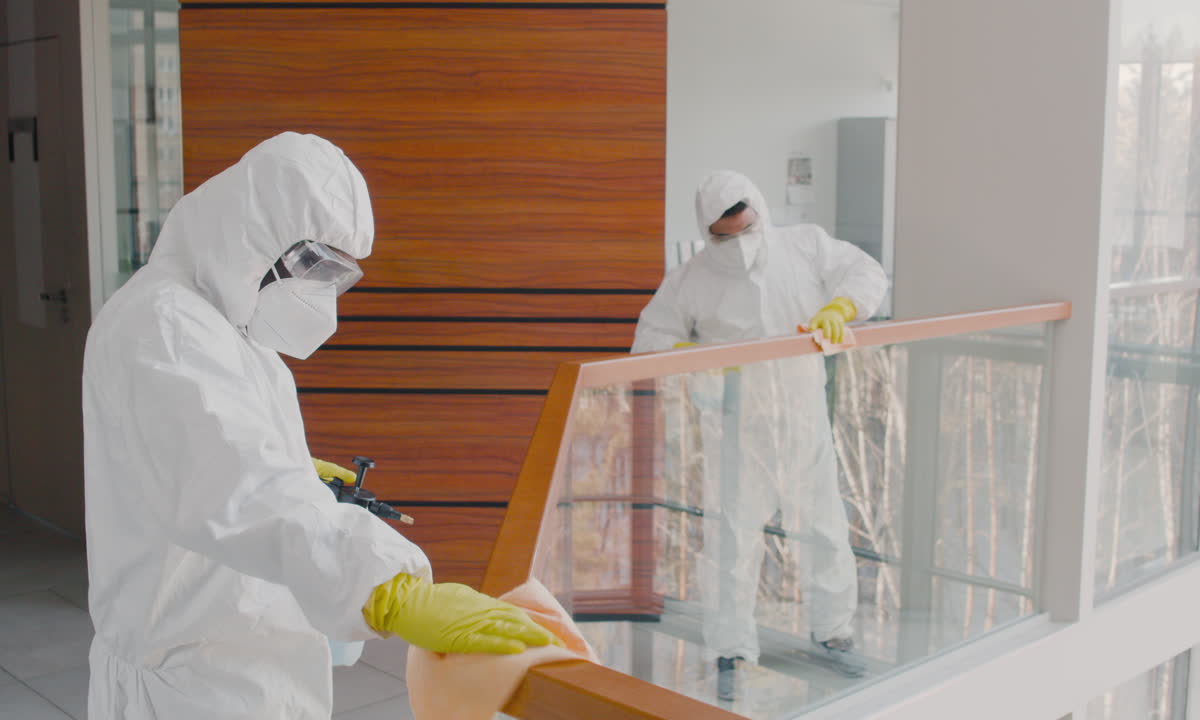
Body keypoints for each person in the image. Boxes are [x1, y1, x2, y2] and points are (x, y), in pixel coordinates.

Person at [82, 132, 554, 719]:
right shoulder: (166, 325)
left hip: (233, 657)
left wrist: (296, 470)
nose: (322, 289)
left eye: (338, 272)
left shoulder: (223, 323)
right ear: (250, 233)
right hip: (189, 682)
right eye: (314, 263)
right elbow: (235, 488)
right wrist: (389, 588)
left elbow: (209, 454)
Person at [632, 170, 887, 700]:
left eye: (746, 229)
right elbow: (649, 339)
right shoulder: (690, 279)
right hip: (734, 428)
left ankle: (833, 636)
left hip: (801, 416)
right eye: (725, 236)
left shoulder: (805, 246)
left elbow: (864, 272)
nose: (739, 244)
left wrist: (842, 307)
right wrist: (692, 359)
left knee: (824, 530)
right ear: (708, 233)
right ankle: (730, 652)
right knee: (732, 542)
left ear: (761, 214)